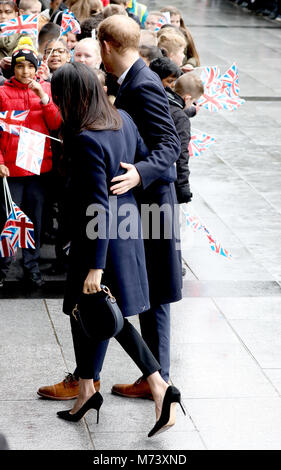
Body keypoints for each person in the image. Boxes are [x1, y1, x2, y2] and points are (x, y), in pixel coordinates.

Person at [37, 15, 182, 401]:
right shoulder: (126, 82)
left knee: (149, 293)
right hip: (129, 203)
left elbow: (170, 146)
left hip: (146, 202)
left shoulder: (144, 83)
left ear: (105, 46)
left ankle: (154, 379)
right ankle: (97, 379)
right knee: (116, 293)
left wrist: (139, 174)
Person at [0, 36, 61, 288]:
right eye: (20, 66)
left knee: (34, 219)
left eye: (30, 67)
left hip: (38, 168)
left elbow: (56, 124)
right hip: (11, 169)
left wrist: (44, 99)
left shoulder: (46, 89)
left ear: (37, 69)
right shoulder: (2, 92)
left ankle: (32, 267)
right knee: (9, 219)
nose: (25, 71)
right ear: (12, 68)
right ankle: (3, 267)